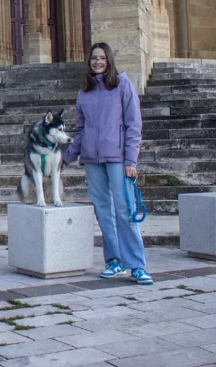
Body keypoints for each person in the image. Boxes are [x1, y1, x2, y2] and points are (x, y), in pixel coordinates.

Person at [65, 42, 152, 285]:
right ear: (88, 62)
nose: (98, 62)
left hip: (117, 158)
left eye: (102, 58)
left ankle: (136, 264)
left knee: (125, 211)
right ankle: (113, 261)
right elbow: (80, 130)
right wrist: (67, 157)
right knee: (104, 212)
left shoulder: (122, 85)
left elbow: (134, 124)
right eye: (94, 58)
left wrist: (131, 159)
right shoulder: (84, 92)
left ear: (109, 60)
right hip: (92, 159)